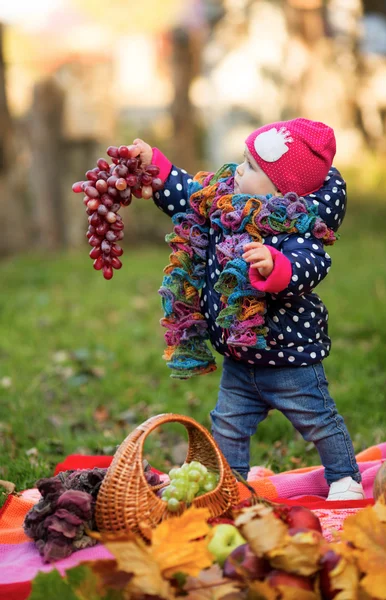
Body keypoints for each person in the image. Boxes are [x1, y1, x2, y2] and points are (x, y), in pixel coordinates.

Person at [129, 118, 365, 500]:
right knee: (227, 426)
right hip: (240, 357)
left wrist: (276, 266)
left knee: (319, 420)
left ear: (281, 189)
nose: (239, 169)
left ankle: (344, 478)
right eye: (243, 159)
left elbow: (311, 264)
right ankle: (230, 485)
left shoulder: (296, 226)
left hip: (289, 358)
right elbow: (189, 194)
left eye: (252, 166)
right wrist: (156, 167)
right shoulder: (225, 206)